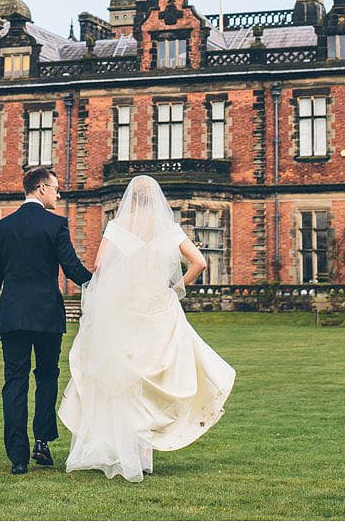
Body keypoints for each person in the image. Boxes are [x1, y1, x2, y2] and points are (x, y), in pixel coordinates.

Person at [58, 175, 235, 482]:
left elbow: (99, 267)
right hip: (157, 308)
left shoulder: (118, 227)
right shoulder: (168, 229)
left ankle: (125, 449)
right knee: (156, 374)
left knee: (124, 377)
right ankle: (143, 455)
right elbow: (200, 263)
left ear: (130, 198)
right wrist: (175, 286)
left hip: (125, 309)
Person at [0, 165, 92, 476]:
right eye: (54, 188)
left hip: (12, 316)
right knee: (48, 376)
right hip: (48, 315)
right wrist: (105, 281)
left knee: (14, 382)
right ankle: (42, 441)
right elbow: (73, 270)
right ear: (41, 189)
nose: (58, 194)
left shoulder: (2, 228)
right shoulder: (56, 225)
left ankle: (18, 458)